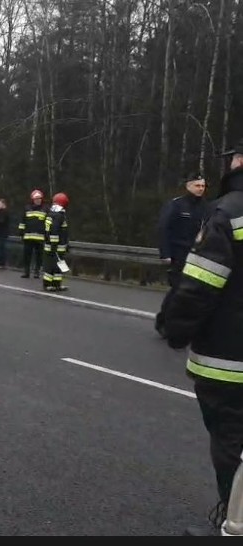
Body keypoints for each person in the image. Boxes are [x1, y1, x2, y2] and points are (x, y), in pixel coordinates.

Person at [165, 138, 243, 536]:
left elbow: (200, 284)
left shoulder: (228, 212)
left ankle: (236, 522)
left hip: (230, 358)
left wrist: (174, 330)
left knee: (232, 439)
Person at [155, 173, 208, 338]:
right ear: (188, 186)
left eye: (203, 186)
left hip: (197, 256)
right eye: (197, 186)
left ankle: (186, 326)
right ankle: (164, 322)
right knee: (178, 291)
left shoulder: (207, 207)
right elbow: (164, 229)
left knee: (193, 293)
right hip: (178, 255)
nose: (200, 189)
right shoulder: (177, 205)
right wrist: (165, 253)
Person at [42, 192, 70, 292]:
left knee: (58, 266)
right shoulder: (58, 215)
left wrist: (66, 244)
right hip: (54, 246)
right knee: (51, 266)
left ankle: (57, 284)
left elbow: (63, 232)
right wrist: (54, 245)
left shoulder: (53, 214)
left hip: (57, 246)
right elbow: (54, 231)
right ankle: (47, 284)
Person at [19, 189, 47, 278]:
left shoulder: (45, 209)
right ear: (32, 199)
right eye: (36, 199)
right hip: (28, 237)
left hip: (40, 238)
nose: (38, 200)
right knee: (27, 255)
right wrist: (21, 233)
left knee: (39, 256)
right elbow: (22, 222)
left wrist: (47, 234)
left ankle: (36, 271)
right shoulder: (27, 208)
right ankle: (26, 272)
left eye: (39, 199)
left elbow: (48, 223)